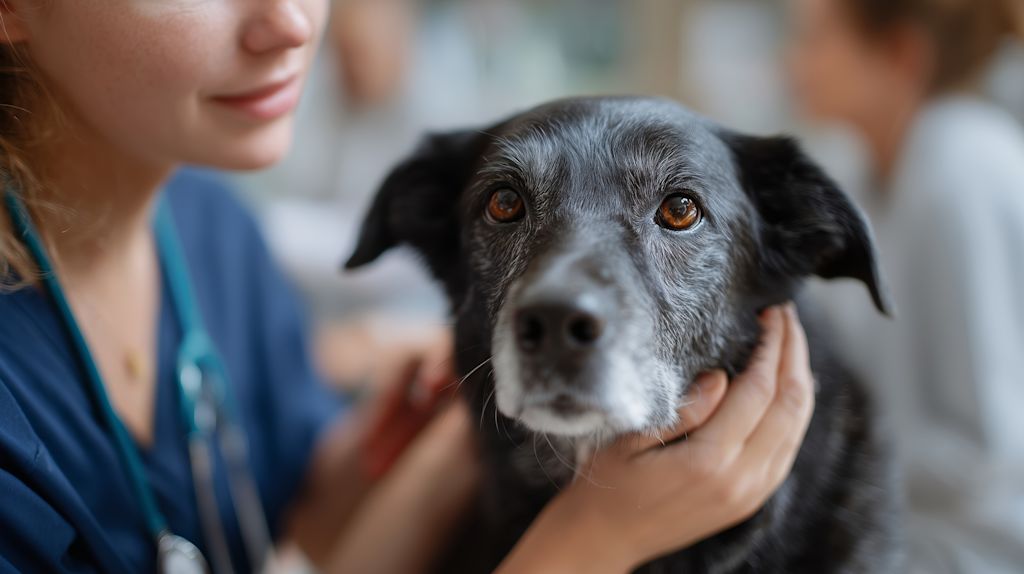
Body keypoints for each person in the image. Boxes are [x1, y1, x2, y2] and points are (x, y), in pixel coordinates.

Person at [0, 1, 816, 572]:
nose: (291, 21)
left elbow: (302, 520)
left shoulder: (211, 233)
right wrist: (595, 540)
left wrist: (420, 453)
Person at [787, 0, 1024, 572]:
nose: (793, 64)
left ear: (901, 53)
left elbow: (990, 450)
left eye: (816, 39)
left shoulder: (961, 169)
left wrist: (807, 440)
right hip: (902, 521)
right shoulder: (861, 168)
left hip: (979, 542)